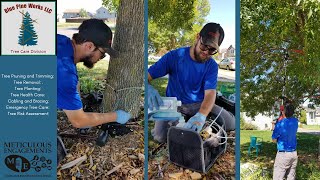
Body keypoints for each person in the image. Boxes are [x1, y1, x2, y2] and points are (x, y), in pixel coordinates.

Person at [148, 22, 235, 143]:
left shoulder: (212, 66)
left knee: (231, 124)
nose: (206, 52)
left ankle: (207, 119)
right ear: (198, 37)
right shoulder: (174, 57)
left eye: (212, 50)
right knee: (160, 137)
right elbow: (146, 76)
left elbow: (210, 93)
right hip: (174, 105)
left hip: (199, 104)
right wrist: (149, 89)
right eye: (204, 46)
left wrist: (201, 115)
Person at [57, 19, 131, 129]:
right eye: (102, 54)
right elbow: (79, 121)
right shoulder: (66, 74)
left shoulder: (60, 41)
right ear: (89, 46)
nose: (100, 58)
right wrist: (116, 116)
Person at [272, 103, 298, 180]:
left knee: (278, 177)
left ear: (283, 112)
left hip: (283, 154)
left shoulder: (280, 124)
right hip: (294, 154)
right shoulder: (295, 121)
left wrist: (276, 127)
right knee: (291, 176)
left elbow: (274, 140)